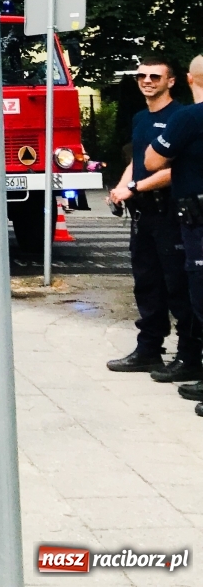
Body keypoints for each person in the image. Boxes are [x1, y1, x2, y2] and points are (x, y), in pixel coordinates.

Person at [107, 58, 200, 381]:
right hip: (142, 212)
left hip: (170, 212)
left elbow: (177, 170)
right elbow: (138, 160)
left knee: (179, 287)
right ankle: (148, 349)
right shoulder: (141, 118)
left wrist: (135, 186)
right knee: (147, 284)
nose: (147, 81)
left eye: (155, 76)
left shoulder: (182, 117)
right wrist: (121, 187)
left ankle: (189, 355)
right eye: (142, 76)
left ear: (172, 82)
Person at [144, 54, 203, 417]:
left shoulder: (188, 117)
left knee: (200, 293)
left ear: (189, 79)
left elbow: (152, 161)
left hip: (197, 218)